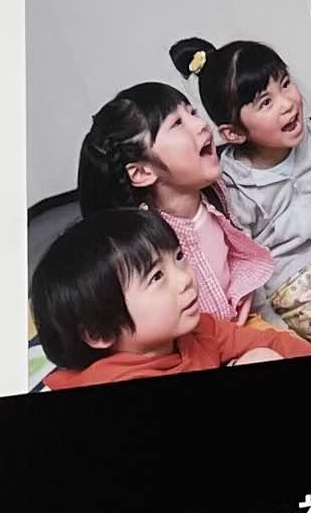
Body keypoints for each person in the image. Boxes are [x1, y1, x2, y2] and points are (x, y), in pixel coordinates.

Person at [175, 33, 311, 350]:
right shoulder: (234, 185)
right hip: (290, 278)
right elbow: (243, 253)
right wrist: (266, 315)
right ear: (234, 133)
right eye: (266, 103)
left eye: (285, 83)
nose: (288, 103)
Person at [76, 81, 274, 334]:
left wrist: (242, 293)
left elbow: (233, 252)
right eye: (177, 124)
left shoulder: (214, 192)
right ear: (142, 172)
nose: (201, 124)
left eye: (192, 113)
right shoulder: (150, 243)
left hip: (241, 316)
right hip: (201, 341)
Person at [32, 208, 311, 387]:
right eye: (156, 277)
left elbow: (269, 342)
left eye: (178, 257)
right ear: (99, 331)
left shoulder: (195, 328)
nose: (184, 277)